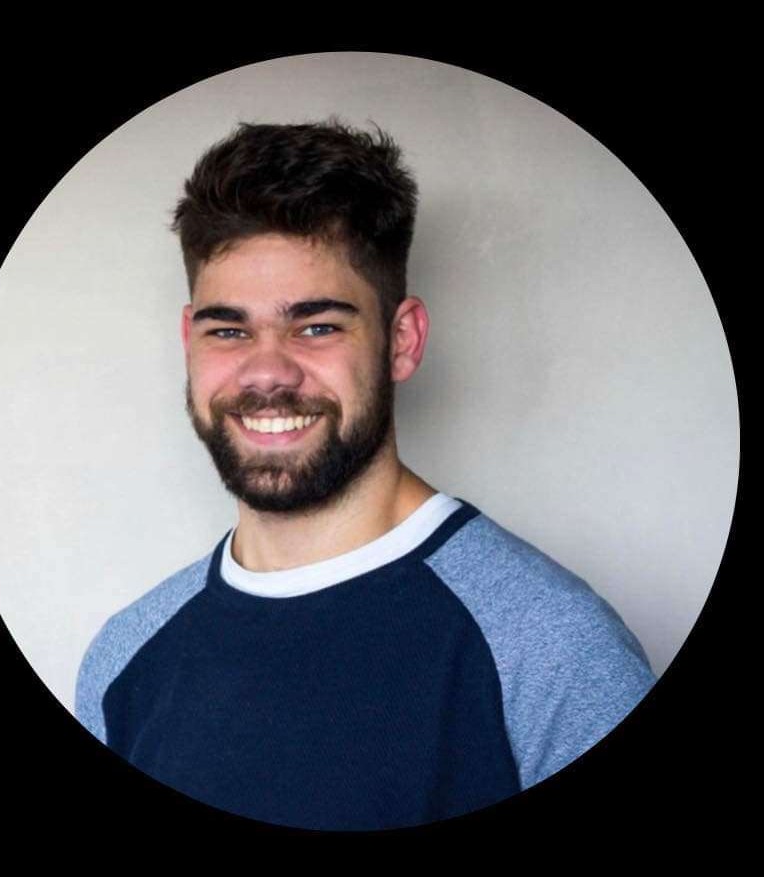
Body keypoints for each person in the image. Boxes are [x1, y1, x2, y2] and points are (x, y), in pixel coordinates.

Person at [75, 118, 657, 831]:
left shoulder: (549, 648)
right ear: (188, 341)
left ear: (401, 340)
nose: (266, 372)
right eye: (228, 330)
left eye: (317, 326)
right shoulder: (125, 658)